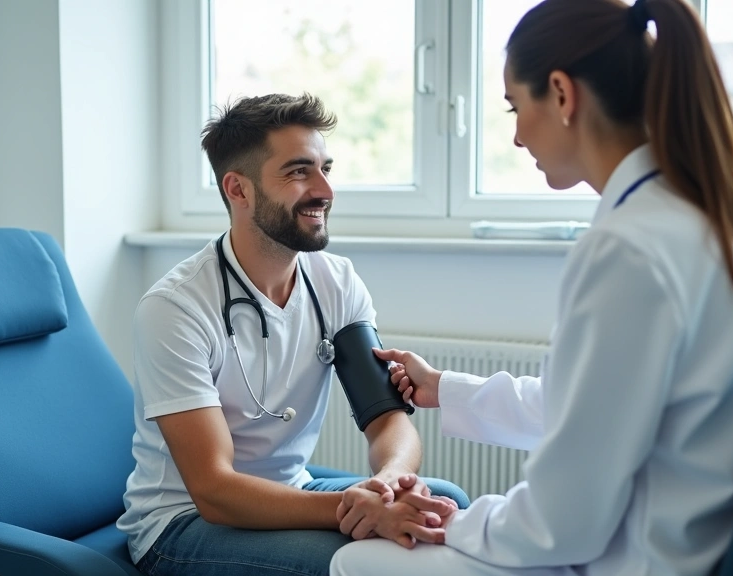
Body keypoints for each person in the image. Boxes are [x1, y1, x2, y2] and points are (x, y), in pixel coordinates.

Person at [330, 0, 733, 574]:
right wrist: (444, 389)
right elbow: (593, 406)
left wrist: (451, 522)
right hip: (688, 546)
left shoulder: (629, 249)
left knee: (362, 560)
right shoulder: (704, 219)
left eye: (515, 107)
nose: (514, 138)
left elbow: (562, 524)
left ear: (561, 93)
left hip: (641, 562)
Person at [117, 92, 469, 576]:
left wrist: (388, 484)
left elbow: (388, 419)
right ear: (238, 190)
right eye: (299, 172)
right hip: (183, 523)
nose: (325, 189)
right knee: (376, 561)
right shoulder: (175, 308)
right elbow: (215, 490)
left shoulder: (336, 280)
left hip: (292, 491)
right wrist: (360, 506)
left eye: (326, 168)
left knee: (444, 503)